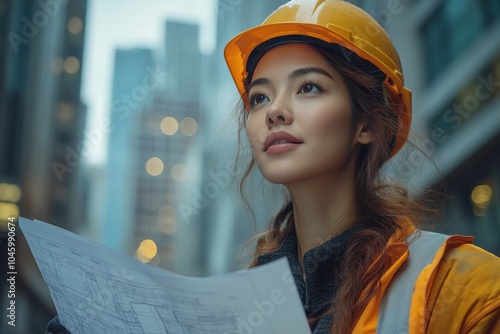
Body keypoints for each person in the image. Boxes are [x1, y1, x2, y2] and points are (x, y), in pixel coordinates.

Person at [223, 0, 500, 333]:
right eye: (259, 97)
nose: (274, 111)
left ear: (366, 124)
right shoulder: (235, 308)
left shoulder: (470, 290)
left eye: (309, 87)